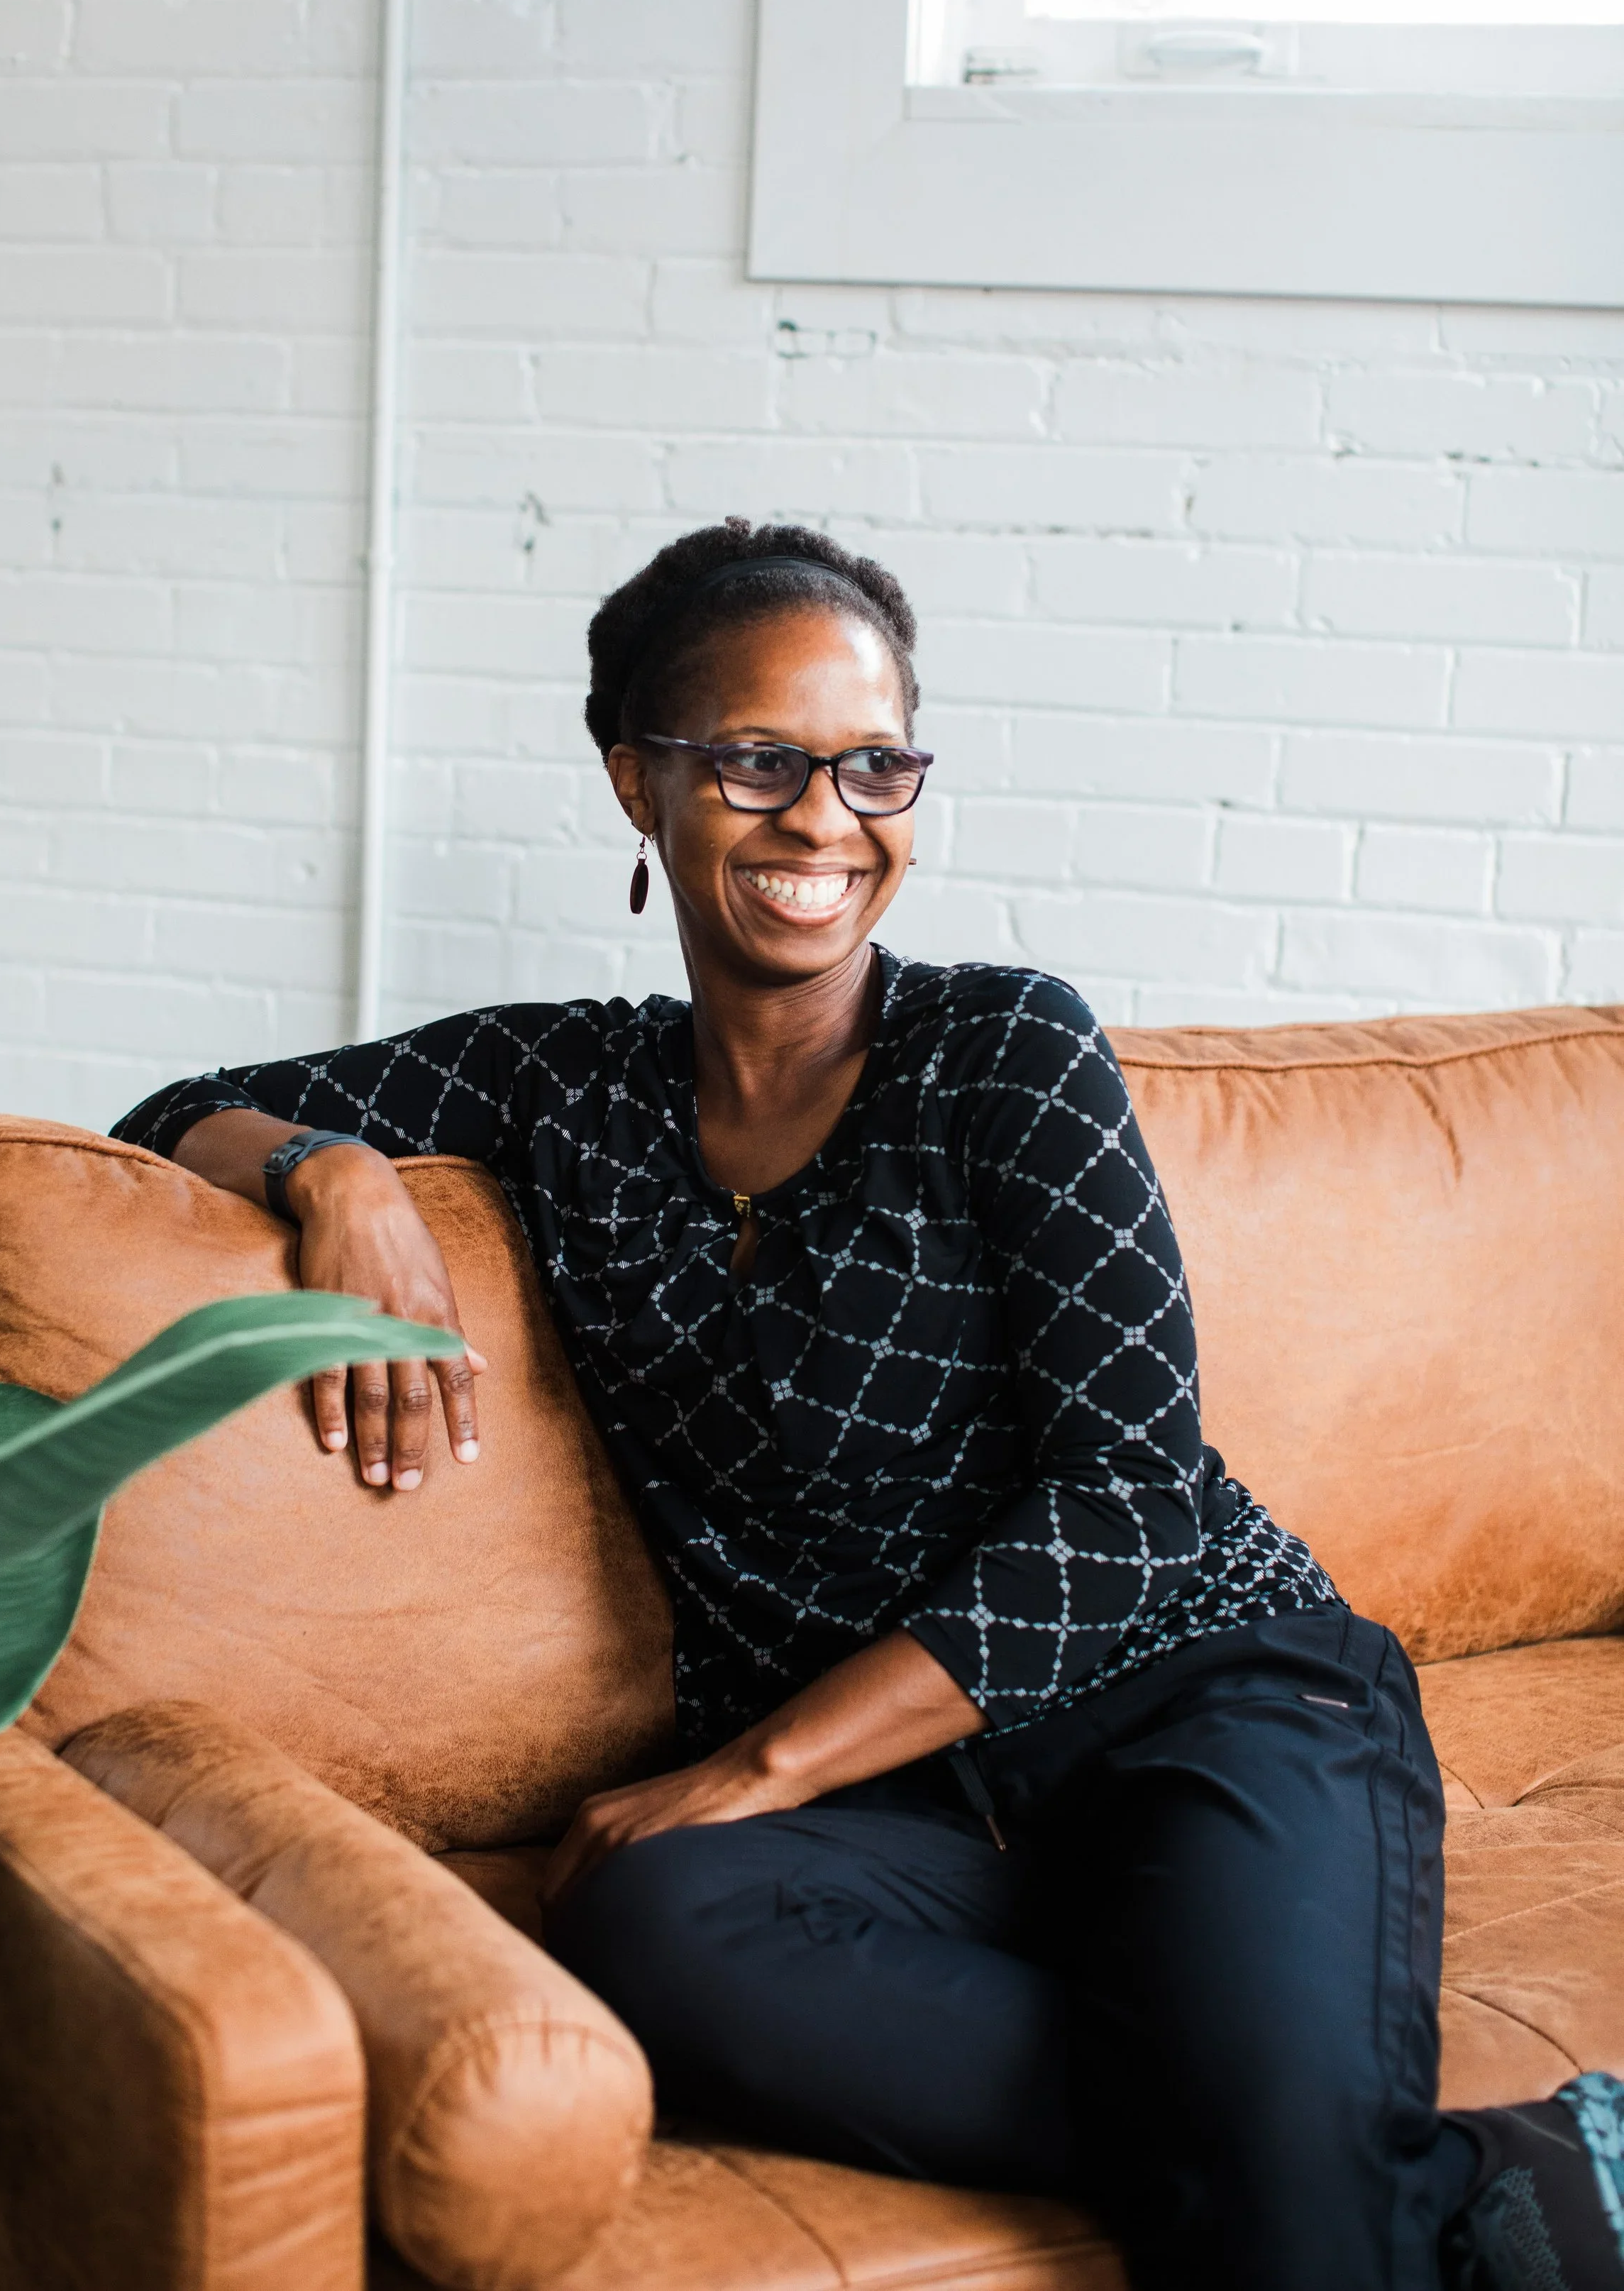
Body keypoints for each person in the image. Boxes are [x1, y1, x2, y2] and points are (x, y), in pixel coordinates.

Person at [116, 519, 1624, 2291]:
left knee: (1289, 2242)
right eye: (755, 760)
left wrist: (751, 1766)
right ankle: (1478, 2168)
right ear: (637, 784)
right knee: (645, 1918)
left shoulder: (1005, 1051)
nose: (821, 816)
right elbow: (177, 1108)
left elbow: (1130, 1504)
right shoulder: (560, 1087)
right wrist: (335, 1171)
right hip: (900, 1834)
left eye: (871, 763)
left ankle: (1334, 2155)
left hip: (1201, 1709)